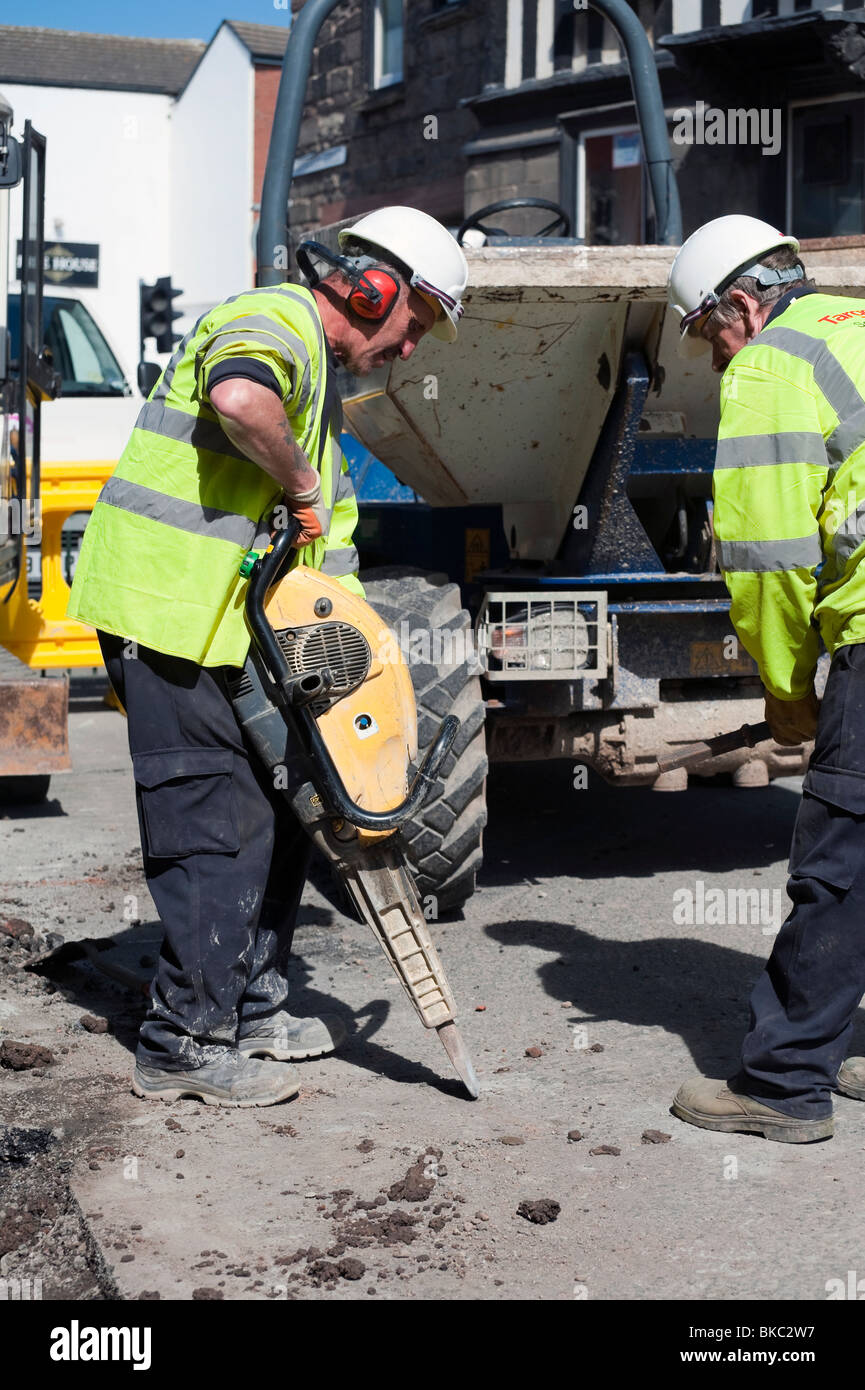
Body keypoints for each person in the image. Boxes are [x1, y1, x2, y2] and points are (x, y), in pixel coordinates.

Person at [67, 206, 468, 1107]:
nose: (411, 351)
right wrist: (298, 482)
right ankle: (182, 1042)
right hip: (166, 611)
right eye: (418, 324)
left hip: (234, 627)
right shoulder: (273, 321)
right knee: (210, 821)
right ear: (375, 289)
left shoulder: (321, 375)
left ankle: (249, 1006)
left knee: (279, 815)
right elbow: (239, 399)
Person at [667, 213, 865, 1143]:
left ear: (741, 304)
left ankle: (783, 1085)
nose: (713, 358)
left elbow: (765, 558)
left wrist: (788, 696)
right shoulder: (859, 328)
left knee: (842, 858)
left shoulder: (771, 365)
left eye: (709, 332)